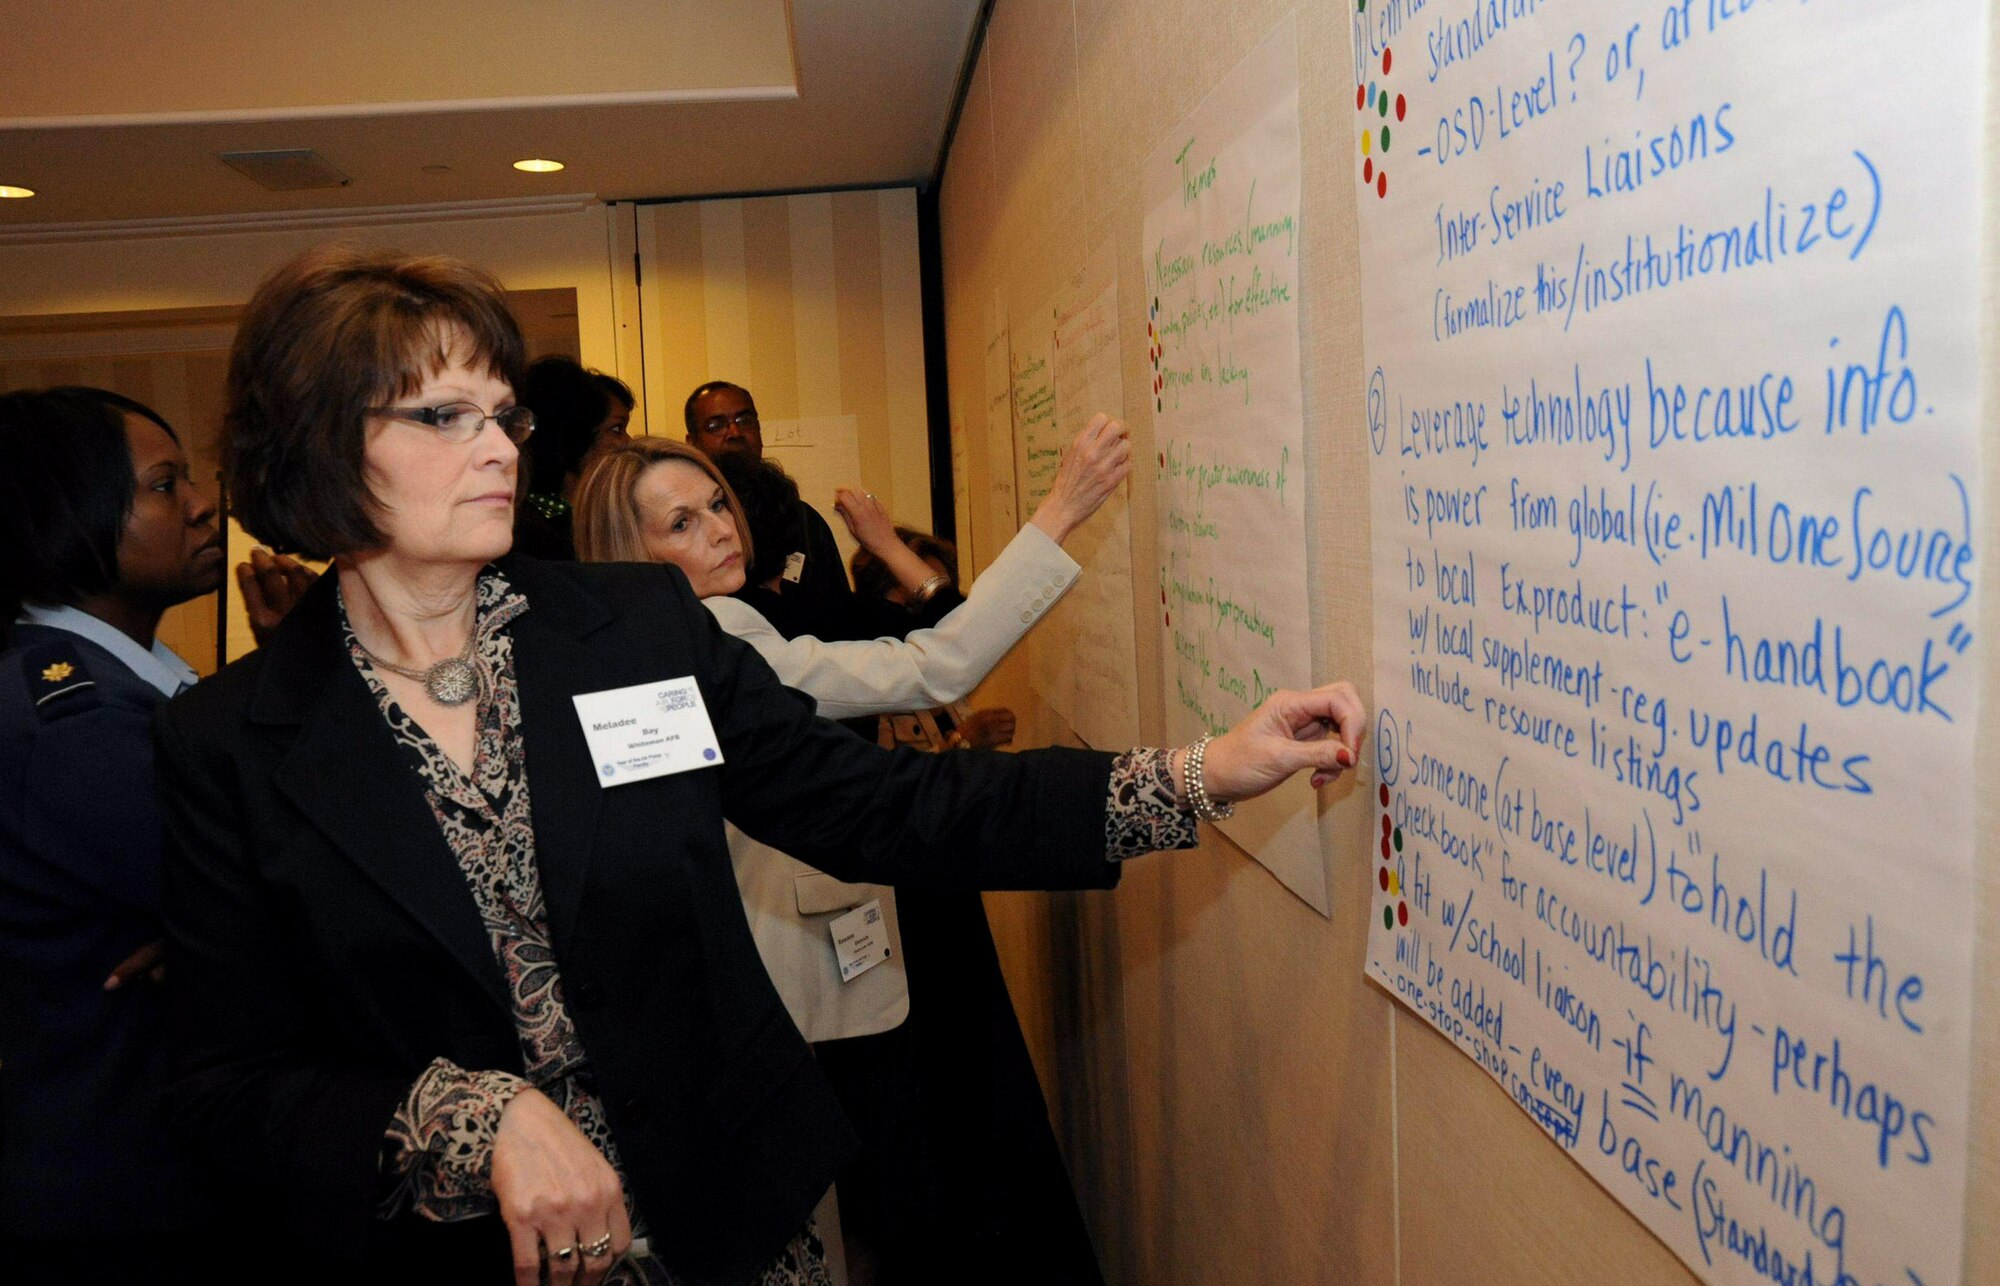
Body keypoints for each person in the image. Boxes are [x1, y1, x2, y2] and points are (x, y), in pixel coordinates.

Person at [157, 244, 1365, 1286]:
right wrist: (477, 1119)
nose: (499, 449)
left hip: (731, 1218)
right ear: (319, 446)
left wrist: (1198, 770)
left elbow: (886, 805)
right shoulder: (230, 741)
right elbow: (222, 1084)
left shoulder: (631, 627)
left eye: (503, 413)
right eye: (442, 417)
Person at [572, 421, 1128, 1282]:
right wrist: (1060, 511)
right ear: (627, 550)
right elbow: (934, 666)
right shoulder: (719, 629)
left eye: (717, 504)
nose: (720, 528)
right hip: (777, 987)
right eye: (680, 523)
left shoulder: (627, 644)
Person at [0, 386, 228, 1274]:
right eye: (167, 485)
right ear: (68, 516)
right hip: (119, 1192)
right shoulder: (73, 720)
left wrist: (206, 926)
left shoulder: (133, 685)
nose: (205, 502)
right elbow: (273, 907)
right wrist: (221, 922)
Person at [684, 381, 854, 615]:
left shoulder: (802, 518)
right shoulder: (686, 525)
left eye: (745, 421)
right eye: (716, 425)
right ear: (692, 443)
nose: (734, 433)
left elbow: (841, 612)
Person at [515, 356, 627, 559]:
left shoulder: (590, 514)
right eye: (616, 429)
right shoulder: (531, 531)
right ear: (577, 436)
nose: (628, 442)